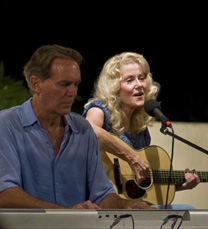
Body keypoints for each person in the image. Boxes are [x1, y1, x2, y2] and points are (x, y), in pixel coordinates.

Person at [0, 44, 157, 210]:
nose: (73, 92)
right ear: (36, 84)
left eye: (76, 84)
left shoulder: (83, 130)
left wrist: (128, 205)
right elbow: (5, 193)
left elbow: (102, 195)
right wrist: (65, 213)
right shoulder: (7, 125)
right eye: (64, 84)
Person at [83, 51, 200, 209]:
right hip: (97, 200)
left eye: (142, 78)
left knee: (187, 210)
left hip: (127, 204)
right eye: (130, 80)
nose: (139, 85)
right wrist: (132, 157)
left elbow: (137, 185)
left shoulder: (140, 129)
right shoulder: (99, 109)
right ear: (114, 87)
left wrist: (177, 185)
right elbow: (89, 131)